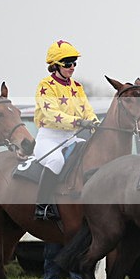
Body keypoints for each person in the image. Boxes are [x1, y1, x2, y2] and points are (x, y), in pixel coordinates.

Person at [33, 40, 99, 220]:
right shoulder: (46, 86)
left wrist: (95, 123)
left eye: (74, 63)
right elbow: (52, 114)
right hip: (49, 138)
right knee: (56, 161)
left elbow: (87, 110)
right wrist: (79, 122)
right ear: (55, 65)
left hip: (71, 137)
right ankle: (42, 206)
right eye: (68, 63)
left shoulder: (77, 87)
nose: (72, 67)